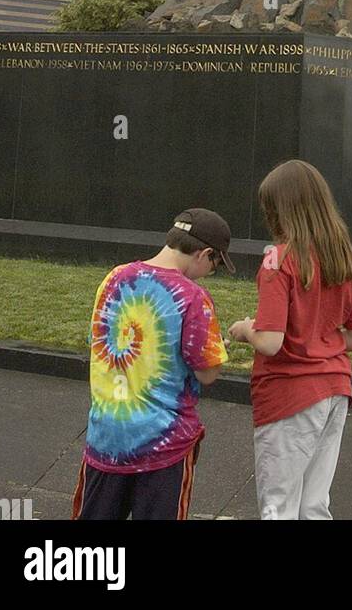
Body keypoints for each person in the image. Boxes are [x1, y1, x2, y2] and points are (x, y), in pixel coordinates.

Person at [228, 160, 352, 521]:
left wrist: (245, 329)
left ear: (282, 209)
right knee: (313, 504)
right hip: (335, 390)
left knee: (279, 505)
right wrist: (319, 338)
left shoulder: (278, 261)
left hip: (289, 394)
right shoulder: (345, 258)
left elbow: (271, 342)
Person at [72, 207, 233, 521]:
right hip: (163, 445)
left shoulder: (114, 278)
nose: (209, 273)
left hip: (107, 437)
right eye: (214, 265)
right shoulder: (193, 297)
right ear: (206, 253)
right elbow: (206, 370)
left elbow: (102, 342)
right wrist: (219, 350)